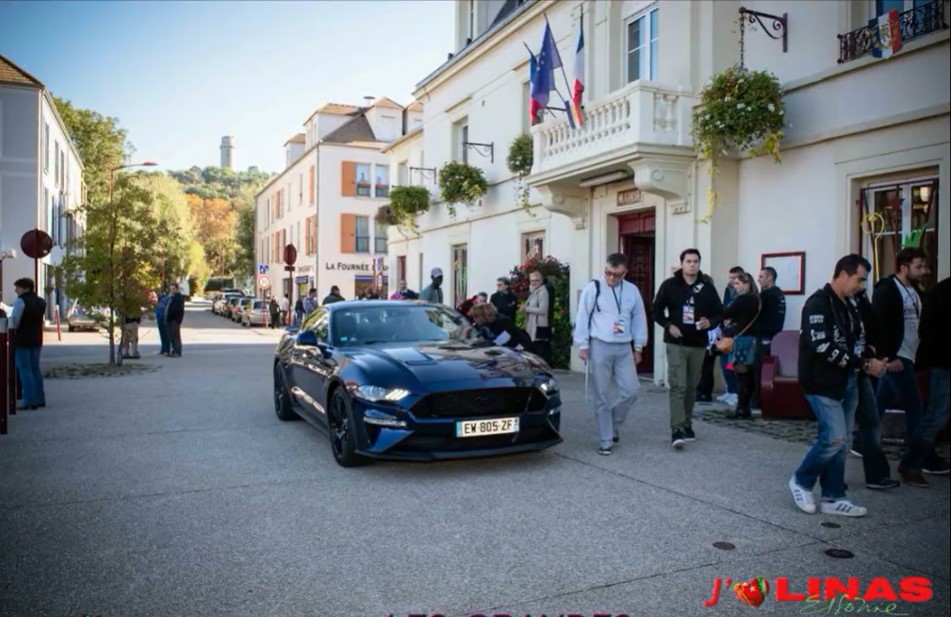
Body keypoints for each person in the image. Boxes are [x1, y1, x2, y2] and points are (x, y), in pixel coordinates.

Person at [790, 254, 886, 518]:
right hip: (821, 383)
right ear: (843, 274)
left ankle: (833, 496)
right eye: (859, 279)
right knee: (833, 438)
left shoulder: (852, 304)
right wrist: (865, 365)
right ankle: (801, 480)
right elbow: (822, 346)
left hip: (849, 381)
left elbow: (860, 338)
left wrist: (870, 358)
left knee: (842, 444)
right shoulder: (817, 303)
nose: (862, 285)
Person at [573, 253, 648, 455]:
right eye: (608, 273)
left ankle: (611, 423)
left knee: (631, 390)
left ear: (625, 272)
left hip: (624, 346)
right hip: (600, 344)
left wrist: (639, 346)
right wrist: (583, 344)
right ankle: (605, 438)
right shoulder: (594, 287)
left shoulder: (632, 290)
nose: (611, 278)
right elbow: (582, 315)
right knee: (602, 394)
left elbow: (639, 317)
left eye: (617, 275)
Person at [651, 249, 723, 448]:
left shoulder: (707, 287)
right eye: (688, 261)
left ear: (699, 263)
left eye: (696, 261)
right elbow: (656, 310)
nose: (692, 265)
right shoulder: (670, 285)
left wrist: (711, 322)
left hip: (698, 344)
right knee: (678, 386)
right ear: (682, 263)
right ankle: (676, 429)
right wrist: (668, 325)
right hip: (677, 343)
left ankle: (687, 423)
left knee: (691, 387)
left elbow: (719, 312)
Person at [872, 247, 928, 487]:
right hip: (898, 357)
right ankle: (911, 464)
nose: (922, 270)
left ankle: (861, 442)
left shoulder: (915, 291)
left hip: (910, 354)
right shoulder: (888, 289)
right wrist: (887, 356)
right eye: (918, 266)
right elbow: (879, 323)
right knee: (916, 409)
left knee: (878, 403)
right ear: (904, 266)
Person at [851, 289, 899, 489]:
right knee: (835, 433)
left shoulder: (861, 300)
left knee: (871, 421)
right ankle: (826, 480)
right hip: (842, 372)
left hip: (862, 369)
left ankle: (877, 475)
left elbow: (870, 328)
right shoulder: (830, 301)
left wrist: (873, 352)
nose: (863, 284)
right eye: (860, 279)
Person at [914, 276, 951, 478]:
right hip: (942, 361)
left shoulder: (939, 291)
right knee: (938, 413)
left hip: (941, 359)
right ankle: (922, 454)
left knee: (939, 411)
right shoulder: (942, 292)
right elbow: (928, 330)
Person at [698, 266, 743, 405]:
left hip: (733, 335)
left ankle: (736, 392)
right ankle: (730, 389)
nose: (731, 282)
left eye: (734, 279)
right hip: (725, 332)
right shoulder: (728, 290)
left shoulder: (744, 296)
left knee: (732, 364)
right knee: (725, 364)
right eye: (730, 278)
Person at [721, 272, 761, 419]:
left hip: (741, 339)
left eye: (737, 284)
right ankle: (745, 407)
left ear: (746, 284)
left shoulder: (743, 299)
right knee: (748, 373)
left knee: (741, 373)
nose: (735, 287)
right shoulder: (757, 299)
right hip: (752, 338)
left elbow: (725, 313)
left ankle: (742, 408)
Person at [752, 266, 787, 408]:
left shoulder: (767, 296)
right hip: (774, 337)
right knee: (766, 369)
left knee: (758, 368)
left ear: (770, 278)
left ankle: (757, 400)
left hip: (765, 336)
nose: (758, 279)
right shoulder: (779, 294)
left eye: (761, 276)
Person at [10, 278, 46, 410]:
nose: (16, 290)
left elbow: (14, 322)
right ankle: (39, 398)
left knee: (24, 370)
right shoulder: (41, 301)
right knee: (35, 369)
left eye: (18, 288)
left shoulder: (20, 302)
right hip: (36, 338)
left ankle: (29, 400)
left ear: (25, 288)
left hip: (22, 339)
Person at [468, 302, 533, 351]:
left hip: (519, 349)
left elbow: (501, 340)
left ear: (483, 316)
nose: (474, 319)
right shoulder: (482, 323)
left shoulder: (503, 322)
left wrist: (486, 344)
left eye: (475, 317)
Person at [521, 271, 552, 366]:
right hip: (533, 325)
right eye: (532, 281)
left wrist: (526, 309)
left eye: (536, 280)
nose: (534, 282)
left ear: (541, 281)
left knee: (541, 349)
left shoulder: (543, 292)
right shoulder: (534, 291)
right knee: (535, 348)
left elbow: (543, 310)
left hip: (540, 325)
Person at [165, 283, 185, 357]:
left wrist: (177, 319)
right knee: (171, 336)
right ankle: (174, 350)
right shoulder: (171, 297)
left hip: (175, 320)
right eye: (171, 289)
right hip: (170, 319)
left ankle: (177, 351)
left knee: (176, 336)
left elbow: (178, 309)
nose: (172, 290)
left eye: (173, 289)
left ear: (177, 289)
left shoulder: (178, 297)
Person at [155, 288, 170, 356]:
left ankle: (167, 349)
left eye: (157, 291)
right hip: (159, 318)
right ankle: (163, 349)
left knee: (165, 335)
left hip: (163, 318)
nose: (157, 293)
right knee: (162, 335)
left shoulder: (164, 299)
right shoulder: (159, 299)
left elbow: (165, 309)